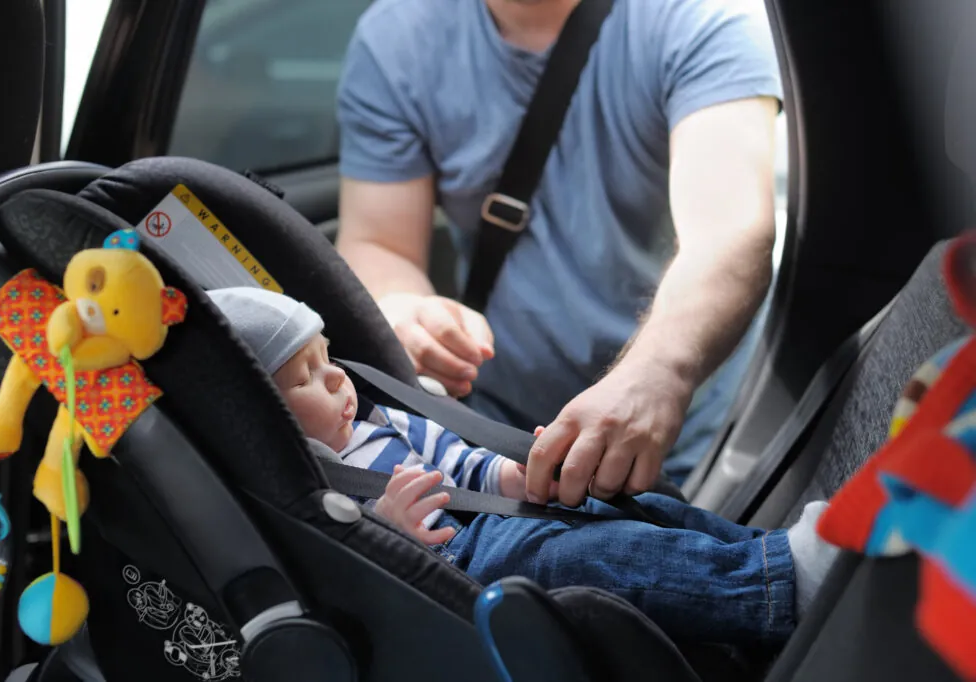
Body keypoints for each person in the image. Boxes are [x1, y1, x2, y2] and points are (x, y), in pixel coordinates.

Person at [206, 287, 838, 646]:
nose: (338, 379)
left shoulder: (381, 421)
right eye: (307, 378)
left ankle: (772, 552)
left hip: (497, 515)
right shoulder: (311, 484)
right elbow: (356, 563)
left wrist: (516, 476)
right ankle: (775, 590)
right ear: (266, 415)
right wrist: (393, 527)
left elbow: (458, 461)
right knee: (584, 559)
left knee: (634, 509)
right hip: (461, 561)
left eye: (327, 358)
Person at [333, 0, 784, 503]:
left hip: (686, 424)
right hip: (499, 427)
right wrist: (404, 308)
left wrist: (660, 373)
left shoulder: (698, 17)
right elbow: (378, 242)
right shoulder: (398, 38)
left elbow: (730, 231)